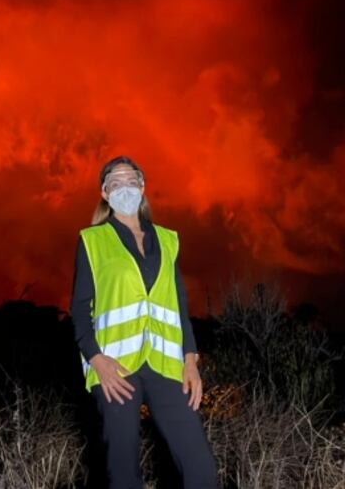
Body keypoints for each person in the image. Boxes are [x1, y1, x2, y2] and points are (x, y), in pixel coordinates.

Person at [70, 155, 218, 488]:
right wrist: (97, 360)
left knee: (200, 467)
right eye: (115, 182)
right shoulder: (93, 241)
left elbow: (180, 306)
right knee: (122, 471)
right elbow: (80, 309)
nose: (124, 187)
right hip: (115, 368)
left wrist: (191, 361)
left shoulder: (168, 240)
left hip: (165, 364)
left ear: (143, 186)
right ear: (105, 194)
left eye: (130, 179)